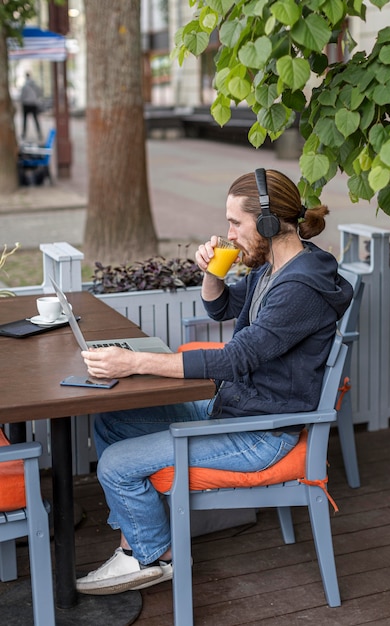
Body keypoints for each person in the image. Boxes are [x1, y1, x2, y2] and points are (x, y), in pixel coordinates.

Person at [76, 169, 353, 595]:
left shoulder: (300, 288)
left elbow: (235, 358)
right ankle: (139, 543)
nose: (228, 233)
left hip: (259, 433)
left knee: (115, 465)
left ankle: (149, 557)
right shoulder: (275, 267)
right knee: (112, 421)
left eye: (235, 224)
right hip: (237, 407)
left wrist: (135, 363)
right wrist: (212, 271)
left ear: (266, 223)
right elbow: (222, 309)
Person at [20, 72, 43, 141]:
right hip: (33, 104)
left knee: (25, 120)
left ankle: (24, 134)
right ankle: (39, 134)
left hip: (26, 104)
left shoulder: (25, 85)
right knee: (35, 120)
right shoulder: (34, 85)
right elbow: (40, 93)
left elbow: (22, 96)